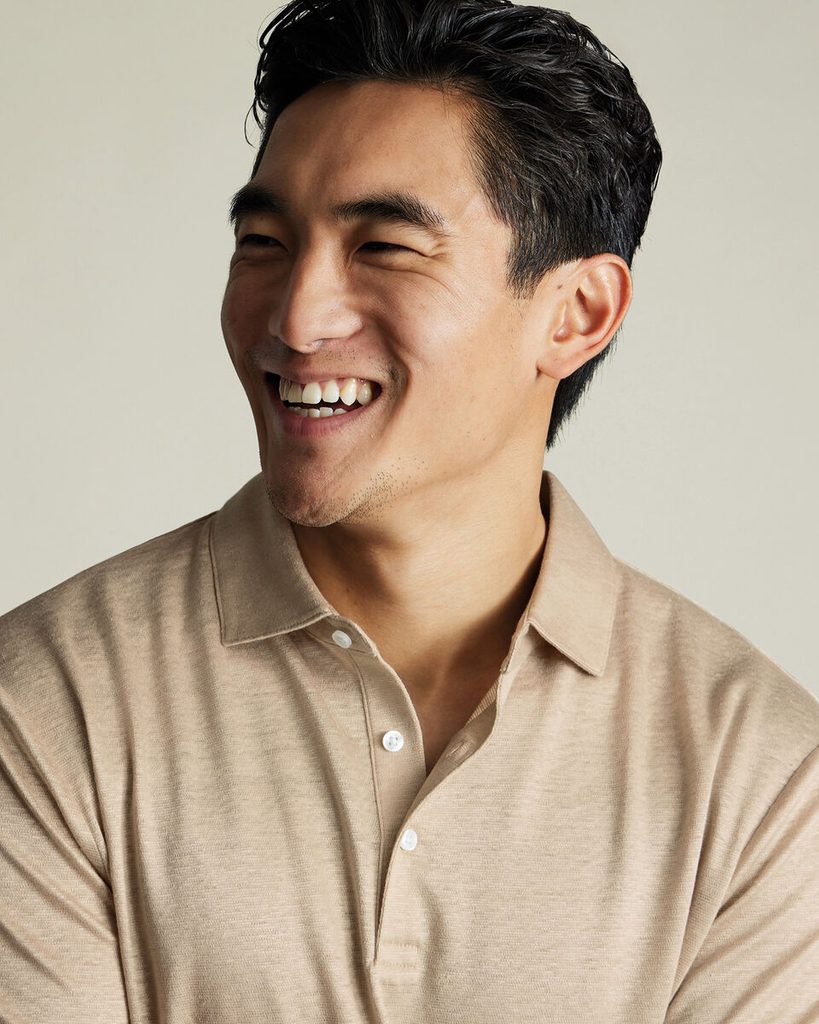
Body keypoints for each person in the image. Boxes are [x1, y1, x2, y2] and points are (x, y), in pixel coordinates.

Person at [1, 0, 817, 1020]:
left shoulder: (762, 778)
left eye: (384, 246)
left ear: (576, 314)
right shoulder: (48, 705)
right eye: (264, 240)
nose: (296, 317)